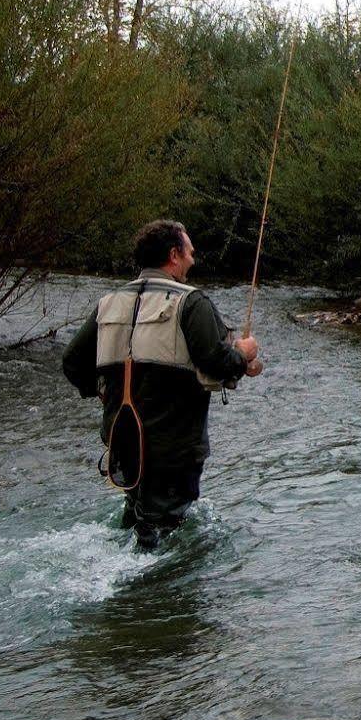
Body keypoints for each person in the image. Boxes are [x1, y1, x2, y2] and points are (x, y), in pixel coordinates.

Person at [61, 219, 262, 550]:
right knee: (163, 535)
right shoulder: (191, 302)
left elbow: (72, 362)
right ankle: (146, 594)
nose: (193, 260)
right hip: (174, 448)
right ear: (174, 254)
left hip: (122, 442)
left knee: (137, 518)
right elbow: (215, 362)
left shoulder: (108, 302)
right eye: (189, 253)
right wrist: (242, 355)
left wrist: (101, 394)